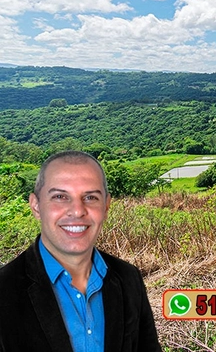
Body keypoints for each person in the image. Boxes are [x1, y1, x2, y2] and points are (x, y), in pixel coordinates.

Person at [0, 151, 161, 352]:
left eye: (90, 197)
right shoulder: (4, 290)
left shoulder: (129, 278)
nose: (77, 211)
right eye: (60, 197)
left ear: (106, 206)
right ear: (36, 206)